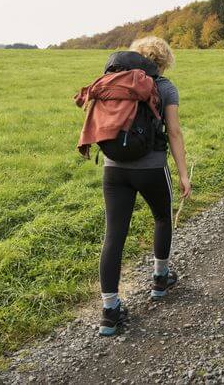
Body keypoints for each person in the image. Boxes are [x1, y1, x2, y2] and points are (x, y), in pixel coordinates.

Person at [75, 36, 192, 337]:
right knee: (163, 216)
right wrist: (183, 174)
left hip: (113, 169)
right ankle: (160, 279)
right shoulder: (164, 87)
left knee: (114, 234)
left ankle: (110, 311)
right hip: (151, 167)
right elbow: (175, 132)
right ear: (164, 61)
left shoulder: (114, 81)